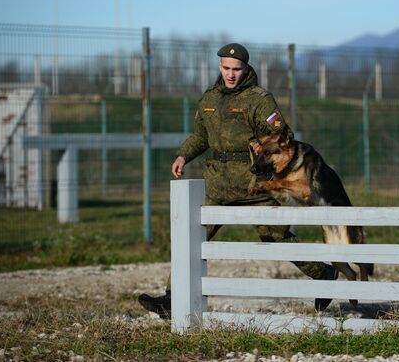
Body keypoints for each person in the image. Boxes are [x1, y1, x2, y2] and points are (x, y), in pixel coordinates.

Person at [138, 43, 338, 317]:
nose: (230, 74)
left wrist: (261, 142)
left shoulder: (258, 99)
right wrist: (183, 155)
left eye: (236, 69)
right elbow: (200, 136)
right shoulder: (209, 99)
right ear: (219, 66)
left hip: (255, 184)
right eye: (226, 68)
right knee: (192, 237)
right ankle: (174, 299)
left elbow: (283, 134)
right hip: (219, 185)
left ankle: (324, 273)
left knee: (275, 237)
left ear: (245, 68)